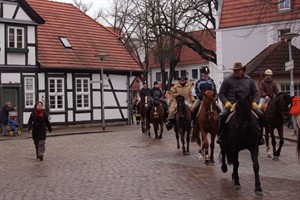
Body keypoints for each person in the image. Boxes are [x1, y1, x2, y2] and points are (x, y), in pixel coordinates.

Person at [217, 62, 265, 145]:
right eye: (235, 70)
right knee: (223, 115)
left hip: (247, 104)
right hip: (232, 104)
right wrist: (226, 102)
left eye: (238, 70)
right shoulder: (227, 80)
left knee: (260, 114)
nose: (237, 72)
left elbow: (255, 92)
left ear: (242, 70)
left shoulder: (249, 79)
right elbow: (221, 93)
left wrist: (254, 101)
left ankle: (260, 136)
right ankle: (221, 136)